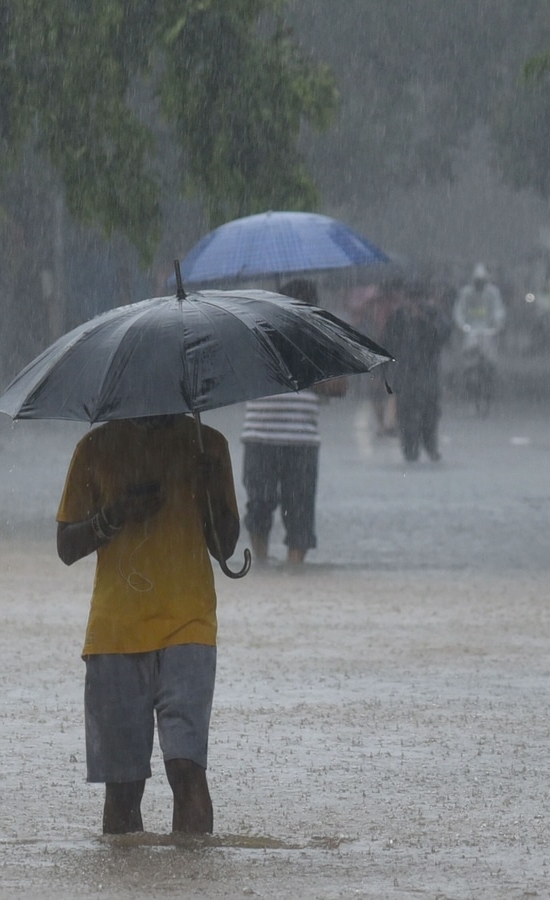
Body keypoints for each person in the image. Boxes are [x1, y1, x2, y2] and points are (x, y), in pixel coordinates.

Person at [55, 413, 240, 834]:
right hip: (115, 634)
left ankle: (189, 882)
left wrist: (209, 487)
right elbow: (66, 546)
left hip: (189, 628)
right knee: (122, 788)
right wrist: (115, 514)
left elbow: (225, 545)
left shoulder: (208, 445)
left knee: (187, 771)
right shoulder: (95, 448)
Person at [240, 279, 345, 568]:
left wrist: (305, 371)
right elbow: (241, 375)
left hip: (302, 439)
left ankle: (295, 569)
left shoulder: (321, 338)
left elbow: (340, 387)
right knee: (259, 505)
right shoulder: (258, 332)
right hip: (260, 435)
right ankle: (260, 563)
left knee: (299, 511)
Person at [381, 282, 453, 462]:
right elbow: (387, 343)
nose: (414, 303)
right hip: (404, 372)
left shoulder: (434, 314)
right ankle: (409, 448)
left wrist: (423, 320)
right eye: (410, 299)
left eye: (418, 299)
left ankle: (430, 445)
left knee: (430, 413)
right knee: (405, 412)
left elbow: (442, 335)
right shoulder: (398, 316)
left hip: (427, 372)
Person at [454, 263, 507, 366]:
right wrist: (461, 324)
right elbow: (459, 309)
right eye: (477, 281)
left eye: (482, 281)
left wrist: (498, 322)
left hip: (488, 327)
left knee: (490, 353)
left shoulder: (493, 292)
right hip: (470, 327)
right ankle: (467, 368)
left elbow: (498, 308)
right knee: (468, 351)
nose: (479, 284)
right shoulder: (466, 292)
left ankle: (490, 368)